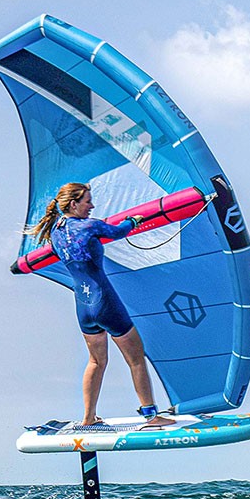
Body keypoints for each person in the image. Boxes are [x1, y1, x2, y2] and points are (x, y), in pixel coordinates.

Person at [28, 182, 174, 428]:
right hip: (105, 303)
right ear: (73, 204)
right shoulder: (90, 226)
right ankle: (151, 416)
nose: (92, 206)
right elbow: (118, 232)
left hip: (84, 306)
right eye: (88, 201)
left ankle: (88, 418)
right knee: (136, 359)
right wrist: (133, 220)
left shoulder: (55, 232)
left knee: (96, 361)